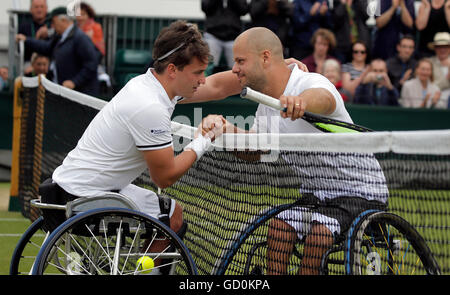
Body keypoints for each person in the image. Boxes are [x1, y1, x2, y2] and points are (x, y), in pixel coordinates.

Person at [197, 27, 388, 275]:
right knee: (279, 227)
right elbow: (255, 150)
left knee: (320, 233)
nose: (235, 68)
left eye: (240, 61)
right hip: (317, 195)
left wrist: (303, 102)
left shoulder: (310, 82)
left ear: (265, 57)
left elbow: (325, 98)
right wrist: (225, 131)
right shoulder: (265, 104)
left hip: (361, 191)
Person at [47, 20, 225, 275]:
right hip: (84, 199)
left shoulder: (150, 84)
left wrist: (267, 71)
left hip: (75, 188)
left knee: (173, 212)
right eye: (197, 73)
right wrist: (204, 140)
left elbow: (219, 86)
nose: (202, 79)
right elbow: (165, 176)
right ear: (173, 70)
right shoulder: (149, 106)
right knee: (168, 218)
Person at [16, 7, 100, 96]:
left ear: (63, 20)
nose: (52, 26)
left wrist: (74, 82)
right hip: (65, 92)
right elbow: (46, 47)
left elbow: (92, 63)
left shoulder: (80, 38)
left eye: (53, 22)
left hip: (80, 95)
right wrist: (26, 40)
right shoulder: (60, 37)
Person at [201, 0, 249, 71]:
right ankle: (206, 82)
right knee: (207, 67)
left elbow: (244, 10)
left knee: (237, 69)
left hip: (233, 36)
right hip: (212, 35)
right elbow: (205, 7)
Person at [18, 0, 49, 74]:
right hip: (29, 62)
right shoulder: (24, 26)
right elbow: (20, 51)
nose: (39, 10)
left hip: (49, 62)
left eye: (42, 7)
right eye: (36, 7)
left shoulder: (52, 25)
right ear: (31, 9)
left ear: (46, 8)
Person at [428, 32, 450, 103]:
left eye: (445, 46)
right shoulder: (429, 63)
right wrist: (447, 79)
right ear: (435, 48)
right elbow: (429, 86)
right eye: (439, 47)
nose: (442, 50)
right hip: (435, 100)